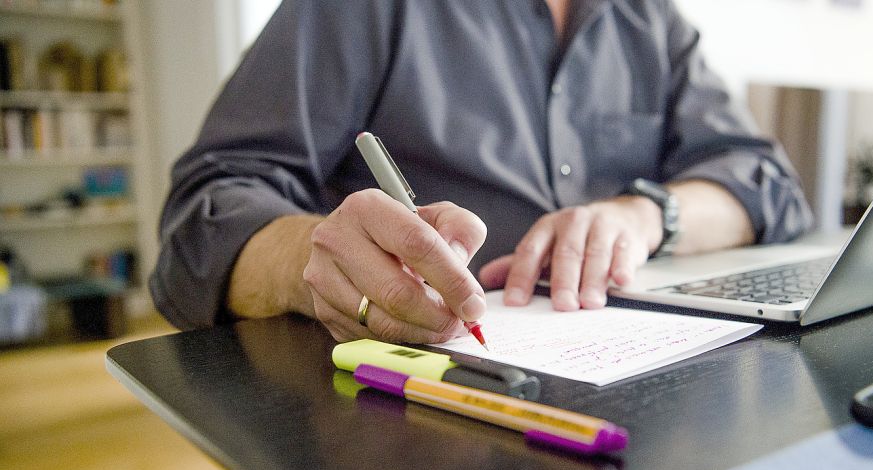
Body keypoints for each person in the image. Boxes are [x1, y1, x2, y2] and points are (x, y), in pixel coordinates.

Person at [151, 0, 813, 344]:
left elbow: (765, 181)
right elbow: (203, 214)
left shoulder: (650, 20)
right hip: (413, 421)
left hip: (635, 383)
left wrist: (644, 216)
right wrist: (313, 259)